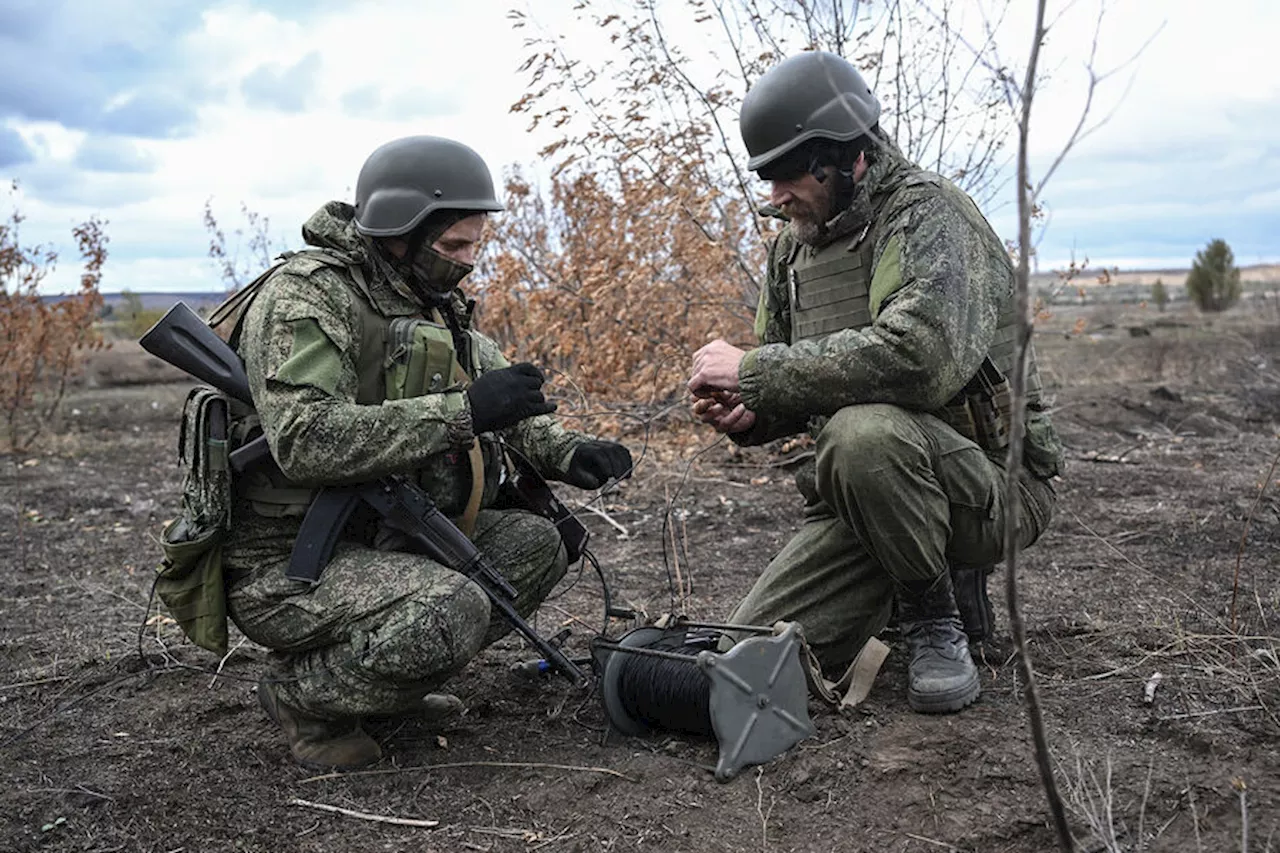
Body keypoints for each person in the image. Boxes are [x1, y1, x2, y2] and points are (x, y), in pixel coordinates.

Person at [220, 136, 633, 768]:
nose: (469, 262)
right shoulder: (308, 296)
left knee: (533, 546)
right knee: (455, 603)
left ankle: (385, 685)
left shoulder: (426, 297)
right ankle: (302, 698)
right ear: (398, 232)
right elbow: (304, 439)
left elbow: (503, 398)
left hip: (377, 534)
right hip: (286, 562)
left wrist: (570, 453)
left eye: (474, 244)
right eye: (454, 247)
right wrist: (462, 415)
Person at [687, 52, 1063, 714]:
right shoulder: (793, 249)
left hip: (990, 488)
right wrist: (753, 412)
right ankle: (907, 570)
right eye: (764, 178)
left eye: (787, 176)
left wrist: (753, 370)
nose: (774, 196)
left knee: (862, 434)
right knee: (743, 659)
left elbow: (921, 359)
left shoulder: (931, 217)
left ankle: (933, 617)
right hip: (864, 495)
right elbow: (790, 375)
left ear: (845, 157)